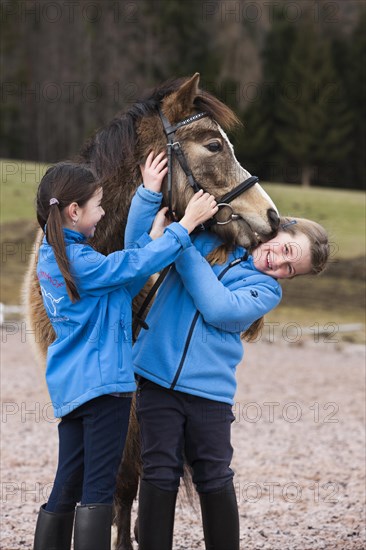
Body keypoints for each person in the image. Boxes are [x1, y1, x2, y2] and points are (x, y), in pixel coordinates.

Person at [126, 182, 330, 550]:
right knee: (157, 472)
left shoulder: (266, 290)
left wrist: (181, 239)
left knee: (214, 476)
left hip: (209, 395)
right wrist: (148, 195)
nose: (279, 263)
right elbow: (139, 246)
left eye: (289, 268)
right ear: (278, 228)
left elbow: (218, 307)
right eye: (285, 249)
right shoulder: (210, 240)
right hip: (156, 379)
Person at [32, 153, 218, 550]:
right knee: (99, 487)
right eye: (98, 206)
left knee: (67, 482)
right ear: (74, 210)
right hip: (105, 392)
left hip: (73, 389)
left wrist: (149, 200)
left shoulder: (55, 258)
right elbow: (128, 266)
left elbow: (124, 278)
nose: (101, 214)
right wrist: (185, 226)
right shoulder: (82, 262)